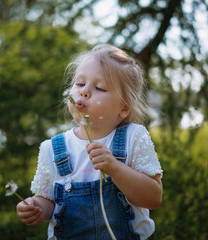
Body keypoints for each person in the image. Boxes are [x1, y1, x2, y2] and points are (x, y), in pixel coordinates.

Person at [16, 44, 163, 240]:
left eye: (99, 88)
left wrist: (115, 168)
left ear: (124, 108)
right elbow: (48, 202)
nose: (84, 92)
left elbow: (153, 197)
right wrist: (36, 208)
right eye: (79, 84)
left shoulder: (133, 137)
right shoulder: (52, 148)